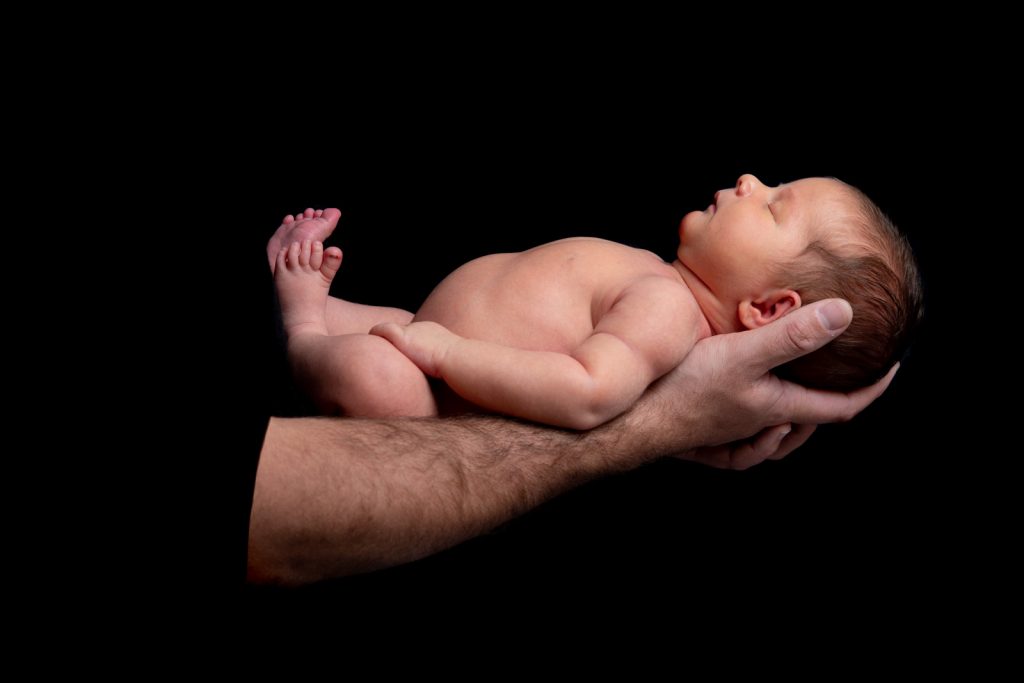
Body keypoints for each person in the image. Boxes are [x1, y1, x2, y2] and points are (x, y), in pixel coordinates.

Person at [271, 174, 921, 429]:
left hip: (430, 392)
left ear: (770, 309)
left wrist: (447, 351)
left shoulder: (667, 312)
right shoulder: (659, 282)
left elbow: (588, 391)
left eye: (775, 203)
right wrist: (433, 337)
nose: (752, 180)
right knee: (372, 331)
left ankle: (304, 325)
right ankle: (313, 319)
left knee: (370, 371)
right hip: (423, 334)